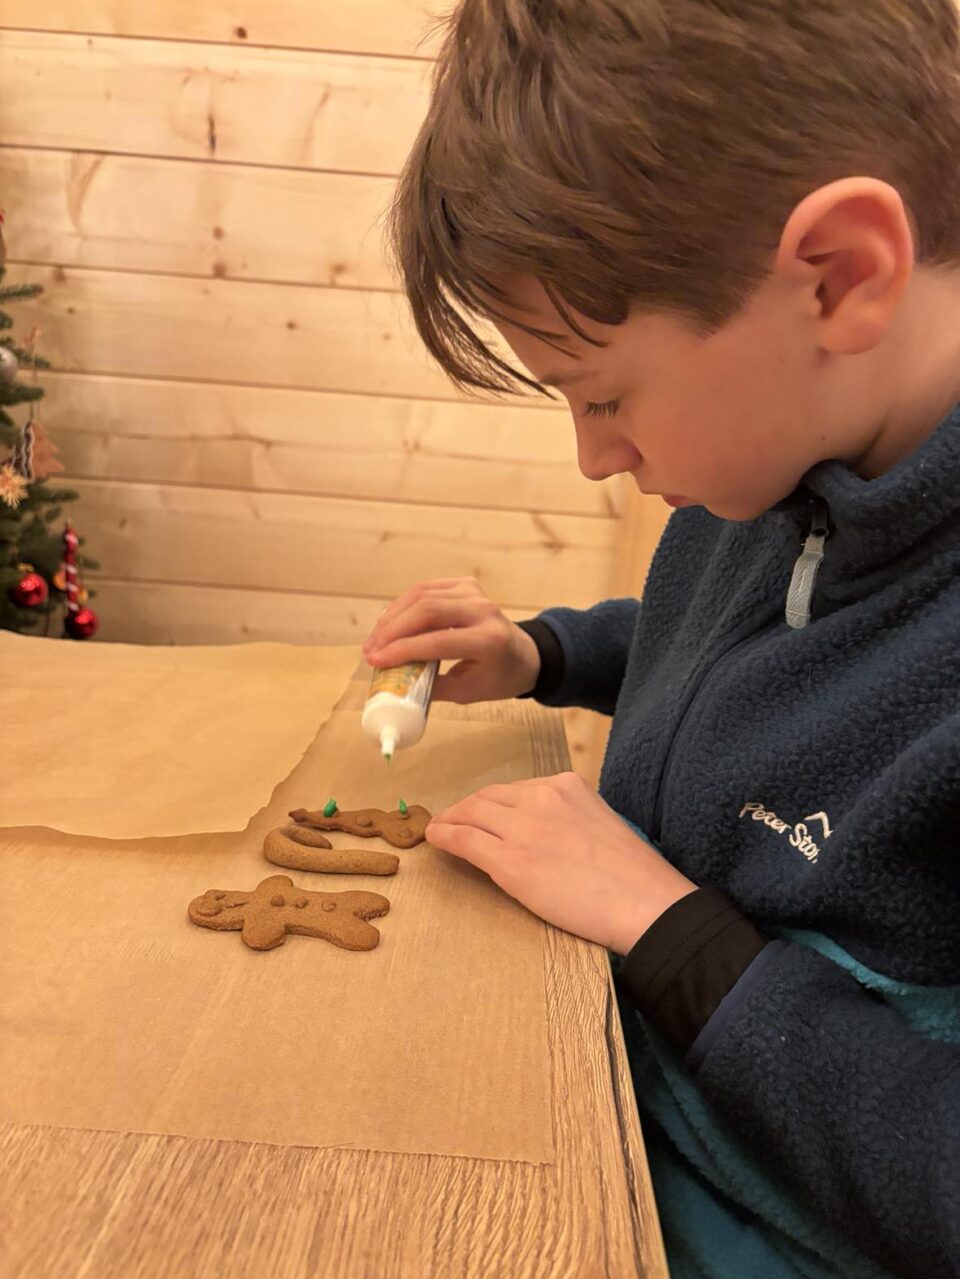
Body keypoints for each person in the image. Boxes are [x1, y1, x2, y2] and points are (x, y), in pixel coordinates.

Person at [362, 3, 960, 1276]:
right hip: (597, 1100)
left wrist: (674, 935)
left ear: (842, 275)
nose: (595, 460)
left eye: (608, 396)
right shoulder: (804, 451)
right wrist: (544, 652)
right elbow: (751, 653)